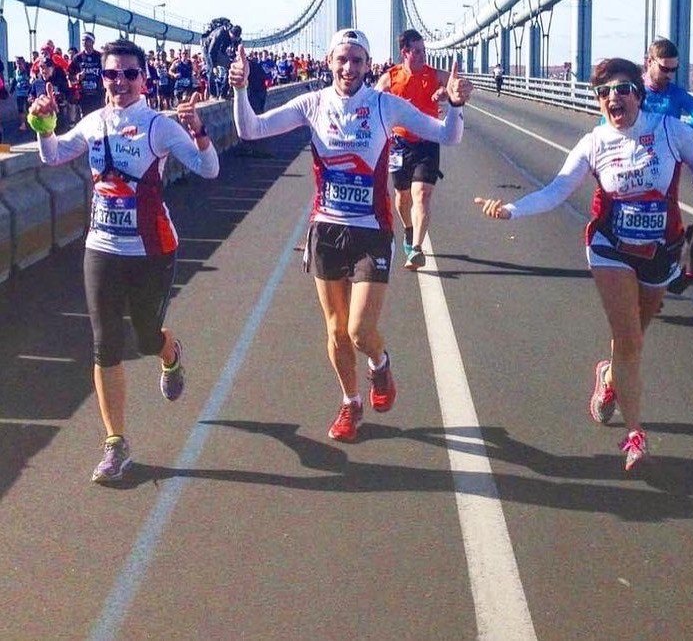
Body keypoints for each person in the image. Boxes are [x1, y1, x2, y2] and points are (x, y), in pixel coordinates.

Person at [474, 57, 693, 471]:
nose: (612, 98)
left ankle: (609, 378)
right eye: (603, 93)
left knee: (634, 340)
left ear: (639, 96)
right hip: (609, 247)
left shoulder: (670, 132)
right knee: (629, 339)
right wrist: (512, 210)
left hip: (660, 250)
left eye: (622, 89)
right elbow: (557, 190)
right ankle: (636, 435)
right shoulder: (594, 143)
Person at [229, 28, 473, 443]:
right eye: (342, 59)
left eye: (357, 60)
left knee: (360, 330)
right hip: (325, 229)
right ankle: (350, 402)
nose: (349, 67)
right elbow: (251, 129)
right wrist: (239, 90)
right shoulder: (313, 103)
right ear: (329, 62)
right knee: (336, 330)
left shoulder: (383, 105)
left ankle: (379, 364)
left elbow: (447, 135)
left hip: (371, 231)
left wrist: (454, 105)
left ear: (367, 65)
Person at [28, 38, 219, 484]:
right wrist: (44, 125)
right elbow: (53, 155)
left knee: (146, 339)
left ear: (144, 78)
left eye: (129, 73)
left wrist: (199, 132)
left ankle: (169, 352)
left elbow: (208, 170)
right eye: (112, 73)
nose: (120, 82)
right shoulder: (94, 122)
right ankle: (116, 445)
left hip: (152, 250)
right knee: (104, 344)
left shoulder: (158, 126)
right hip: (102, 248)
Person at [375, 29, 451, 269]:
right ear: (404, 52)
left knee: (422, 194)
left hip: (428, 141)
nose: (422, 56)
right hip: (399, 144)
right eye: (416, 51)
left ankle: (417, 248)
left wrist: (446, 92)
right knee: (402, 196)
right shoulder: (391, 77)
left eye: (424, 51)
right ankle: (408, 229)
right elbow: (373, 101)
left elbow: (459, 84)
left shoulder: (435, 74)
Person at [643, 38, 693, 132]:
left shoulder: (676, 93)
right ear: (649, 62)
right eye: (664, 69)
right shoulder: (632, 90)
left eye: (673, 69)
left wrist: (676, 129)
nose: (669, 75)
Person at [69, 32, 105, 116]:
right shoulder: (77, 58)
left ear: (93, 42)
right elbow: (69, 75)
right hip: (84, 96)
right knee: (85, 118)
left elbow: (108, 73)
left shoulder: (100, 57)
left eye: (87, 40)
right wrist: (77, 77)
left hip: (98, 95)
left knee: (99, 117)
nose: (84, 42)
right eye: (83, 40)